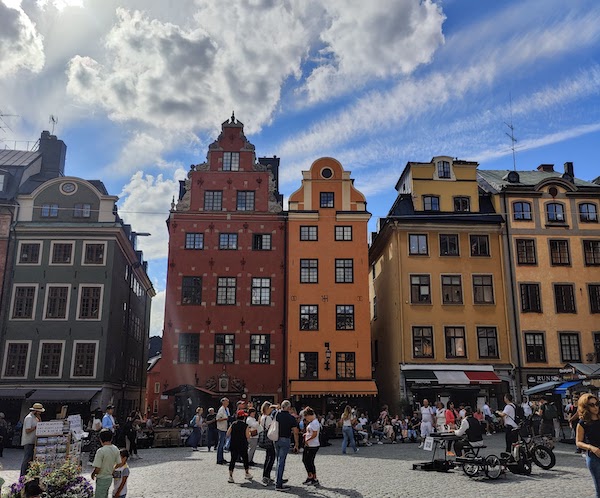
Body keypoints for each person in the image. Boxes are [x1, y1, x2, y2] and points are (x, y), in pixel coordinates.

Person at [576, 393, 600, 497]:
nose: (596, 407)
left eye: (597, 404)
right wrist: (591, 448)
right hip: (594, 457)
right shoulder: (583, 423)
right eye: (592, 405)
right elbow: (578, 442)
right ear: (585, 406)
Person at [274, 400, 299, 492]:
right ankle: (278, 484)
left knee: (278, 460)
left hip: (276, 439)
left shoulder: (276, 414)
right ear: (289, 408)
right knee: (281, 461)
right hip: (285, 439)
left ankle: (278, 479)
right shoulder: (290, 418)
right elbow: (295, 432)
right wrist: (296, 444)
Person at [91, 429, 121, 498]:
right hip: (109, 477)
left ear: (100, 439)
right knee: (105, 495)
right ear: (111, 438)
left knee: (99, 495)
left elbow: (97, 468)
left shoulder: (101, 451)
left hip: (102, 478)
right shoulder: (115, 449)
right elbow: (119, 463)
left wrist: (93, 473)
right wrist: (113, 469)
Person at [226, 410, 253, 483]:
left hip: (234, 444)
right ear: (243, 417)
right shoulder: (245, 425)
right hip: (242, 444)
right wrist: (250, 434)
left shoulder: (233, 424)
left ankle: (230, 476)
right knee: (245, 459)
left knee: (233, 460)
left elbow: (228, 434)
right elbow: (247, 436)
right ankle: (247, 473)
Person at [20, 402, 44, 476]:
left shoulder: (35, 418)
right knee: (27, 459)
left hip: (34, 441)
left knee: (31, 459)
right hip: (28, 441)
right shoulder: (29, 418)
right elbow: (27, 430)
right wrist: (35, 427)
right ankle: (23, 475)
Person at [259, 402, 276, 486]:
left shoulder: (262, 417)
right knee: (271, 457)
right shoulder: (268, 418)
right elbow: (271, 427)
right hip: (269, 438)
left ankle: (265, 475)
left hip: (264, 437)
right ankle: (266, 475)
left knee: (267, 457)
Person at [302, 407, 320, 486]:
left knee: (309, 461)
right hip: (310, 444)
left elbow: (315, 434)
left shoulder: (315, 423)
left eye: (306, 417)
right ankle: (310, 476)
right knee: (306, 460)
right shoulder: (312, 422)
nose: (306, 419)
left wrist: (307, 439)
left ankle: (313, 477)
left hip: (313, 444)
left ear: (309, 415)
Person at [216, 397, 230, 465]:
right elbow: (218, 419)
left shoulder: (227, 409)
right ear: (223, 402)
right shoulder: (221, 410)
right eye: (227, 401)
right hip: (221, 428)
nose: (228, 402)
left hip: (225, 427)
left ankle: (222, 458)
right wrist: (225, 418)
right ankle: (219, 459)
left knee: (223, 443)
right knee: (220, 444)